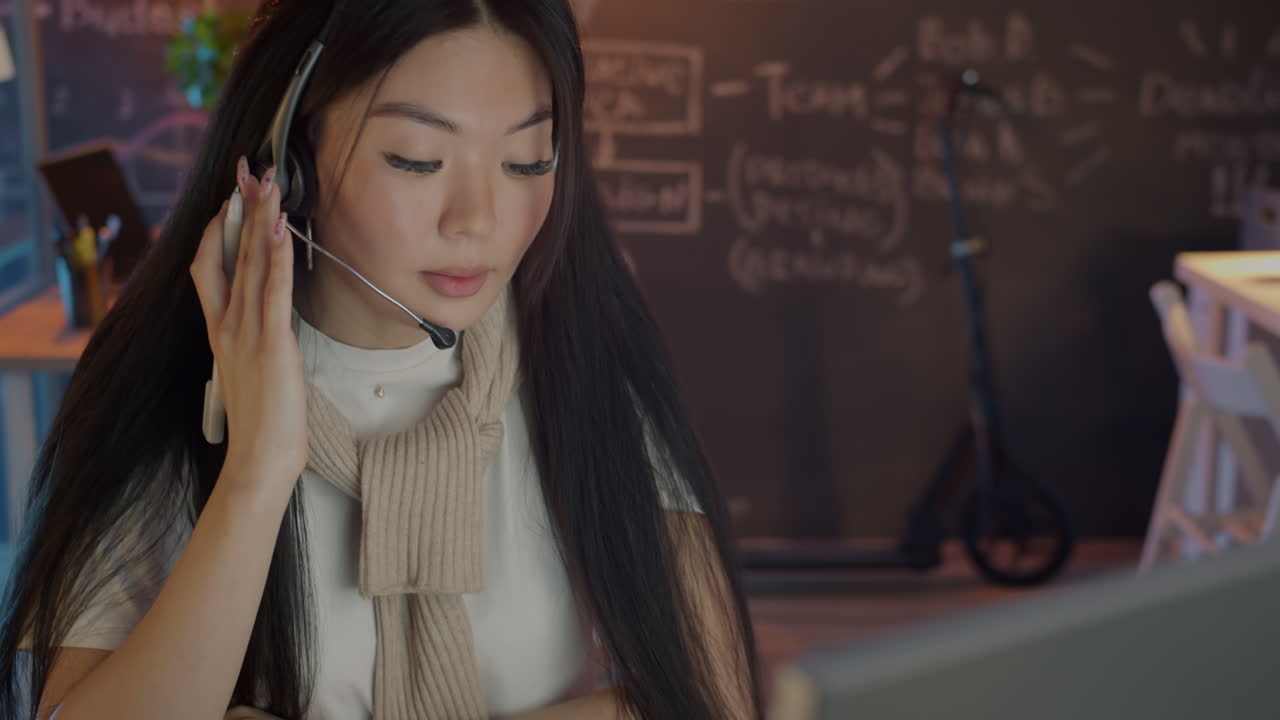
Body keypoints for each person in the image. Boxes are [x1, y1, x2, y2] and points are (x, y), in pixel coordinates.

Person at [0, 1, 763, 719]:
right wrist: (258, 474)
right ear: (289, 157)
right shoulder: (168, 387)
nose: (479, 221)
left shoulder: (582, 353)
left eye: (527, 161)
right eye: (418, 159)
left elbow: (711, 698)